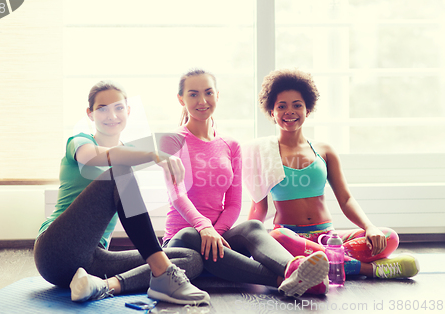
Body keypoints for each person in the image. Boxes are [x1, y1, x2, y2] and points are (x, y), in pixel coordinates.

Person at [33, 80, 210, 305]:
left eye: (118, 108)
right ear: (90, 114)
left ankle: (103, 286)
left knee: (188, 258)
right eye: (102, 109)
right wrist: (154, 154)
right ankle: (163, 274)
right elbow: (95, 157)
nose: (111, 115)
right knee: (119, 171)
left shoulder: (129, 154)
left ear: (128, 111)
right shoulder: (79, 141)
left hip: (93, 261)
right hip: (55, 251)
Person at [160, 69, 330, 298]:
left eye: (208, 93)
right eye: (193, 95)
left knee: (254, 227)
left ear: (217, 96)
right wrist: (205, 228)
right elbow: (177, 196)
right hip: (182, 241)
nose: (202, 101)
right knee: (191, 234)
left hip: (219, 240)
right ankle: (283, 280)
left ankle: (293, 269)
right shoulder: (171, 140)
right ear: (181, 99)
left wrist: (216, 234)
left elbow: (232, 204)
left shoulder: (231, 145)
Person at [246, 68, 419, 280]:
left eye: (297, 105)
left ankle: (325, 262)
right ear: (272, 113)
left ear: (307, 110)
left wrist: (369, 226)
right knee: (276, 237)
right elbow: (258, 207)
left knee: (388, 236)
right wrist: (250, 243)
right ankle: (368, 269)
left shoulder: (324, 151)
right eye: (281, 106)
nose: (289, 111)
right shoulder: (263, 154)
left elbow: (345, 199)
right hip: (290, 237)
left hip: (329, 236)